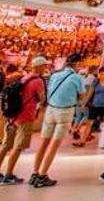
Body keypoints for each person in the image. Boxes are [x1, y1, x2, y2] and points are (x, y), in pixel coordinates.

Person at [30, 53, 88, 188]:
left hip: (51, 110)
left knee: (44, 143)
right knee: (54, 144)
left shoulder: (55, 75)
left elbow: (49, 91)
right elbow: (82, 96)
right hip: (65, 111)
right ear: (77, 64)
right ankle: (42, 175)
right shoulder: (77, 78)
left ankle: (35, 173)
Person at [0, 57, 48, 185]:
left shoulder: (23, 78)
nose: (45, 68)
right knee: (18, 147)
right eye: (44, 66)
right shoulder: (38, 81)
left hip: (12, 115)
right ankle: (8, 175)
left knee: (5, 145)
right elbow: (42, 99)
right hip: (26, 116)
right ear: (39, 67)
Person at [76, 67, 104, 147]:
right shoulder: (96, 82)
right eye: (99, 74)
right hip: (95, 105)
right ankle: (82, 141)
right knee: (89, 123)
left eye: (102, 74)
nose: (100, 76)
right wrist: (84, 103)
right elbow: (89, 93)